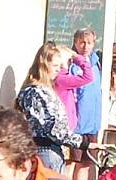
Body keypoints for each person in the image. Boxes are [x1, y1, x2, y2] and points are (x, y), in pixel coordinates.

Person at [16, 43, 87, 173]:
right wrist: (84, 143)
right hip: (46, 152)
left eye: (60, 66)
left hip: (50, 151)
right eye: (55, 66)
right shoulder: (37, 92)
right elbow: (54, 129)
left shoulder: (43, 90)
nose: (58, 69)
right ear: (43, 65)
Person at [70, 28, 102, 180]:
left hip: (92, 124)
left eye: (89, 43)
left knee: (85, 164)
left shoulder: (96, 62)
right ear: (75, 42)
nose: (85, 46)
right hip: (77, 125)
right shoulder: (71, 64)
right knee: (71, 163)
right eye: (82, 42)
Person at [53, 46, 92, 132]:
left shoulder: (60, 77)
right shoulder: (61, 79)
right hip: (65, 127)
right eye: (70, 59)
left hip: (66, 125)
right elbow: (88, 77)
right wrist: (78, 58)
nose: (71, 61)